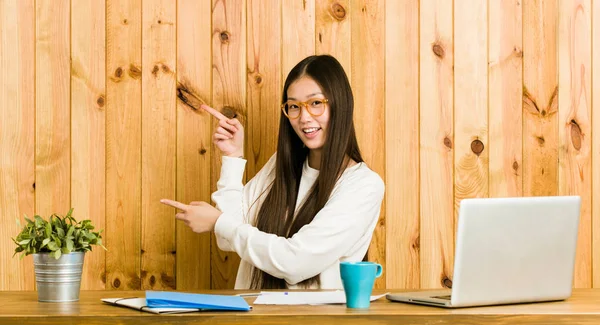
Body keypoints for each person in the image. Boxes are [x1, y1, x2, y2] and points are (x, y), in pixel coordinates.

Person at [161, 55, 384, 290]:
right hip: (252, 317)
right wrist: (233, 157)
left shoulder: (363, 185)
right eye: (294, 106)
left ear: (341, 104)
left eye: (316, 103)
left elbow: (295, 263)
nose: (304, 117)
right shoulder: (281, 166)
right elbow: (228, 238)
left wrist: (217, 222)